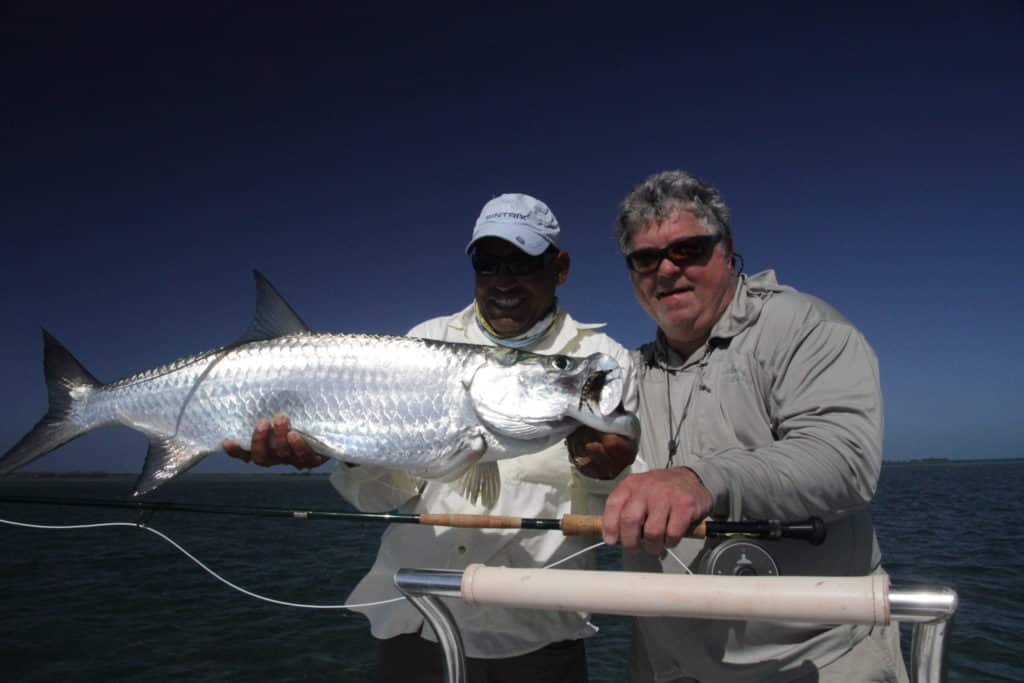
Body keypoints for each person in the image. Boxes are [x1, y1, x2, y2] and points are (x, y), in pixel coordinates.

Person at [224, 193, 638, 683]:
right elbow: (378, 498)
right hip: (415, 620)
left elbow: (635, 503)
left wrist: (608, 470)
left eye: (523, 262)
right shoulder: (421, 343)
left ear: (560, 267)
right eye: (488, 264)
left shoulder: (602, 363)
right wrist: (342, 451)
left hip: (535, 634)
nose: (504, 281)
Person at [587, 170, 908, 683]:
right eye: (646, 258)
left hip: (812, 660)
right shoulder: (626, 370)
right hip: (666, 664)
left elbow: (845, 461)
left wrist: (701, 480)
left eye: (687, 249)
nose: (666, 270)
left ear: (726, 249)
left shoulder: (806, 329)